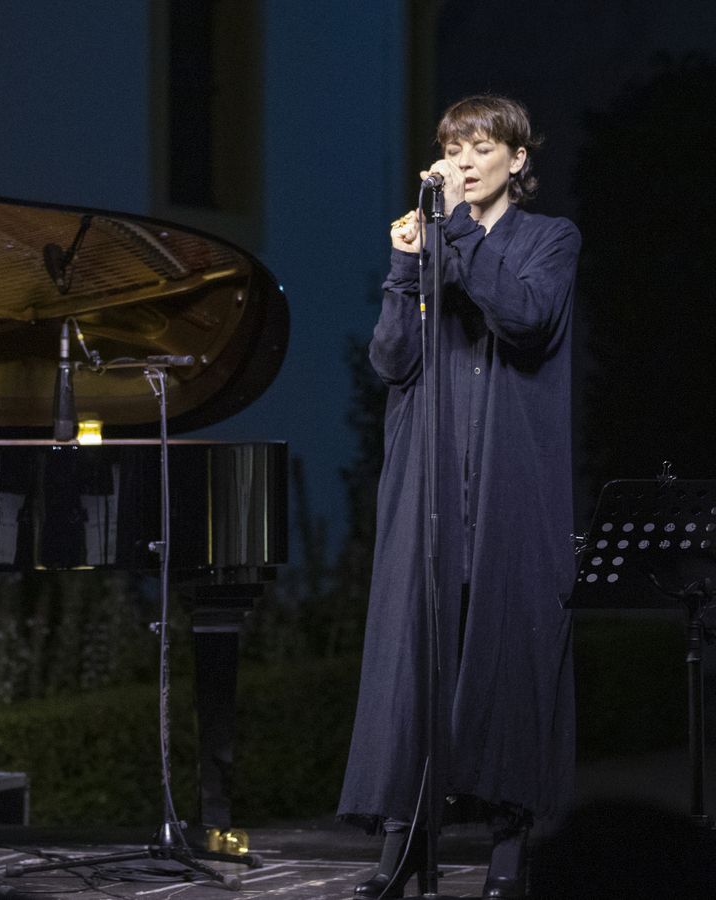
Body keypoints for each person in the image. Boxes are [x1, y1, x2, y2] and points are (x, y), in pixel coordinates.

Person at [338, 95, 581, 900]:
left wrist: (458, 236)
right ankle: (404, 838)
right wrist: (405, 263)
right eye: (453, 147)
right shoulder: (430, 242)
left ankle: (511, 839)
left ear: (518, 159)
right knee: (417, 643)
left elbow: (526, 318)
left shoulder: (550, 239)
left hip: (513, 475)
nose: (464, 162)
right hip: (431, 472)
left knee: (511, 645)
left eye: (481, 147)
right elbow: (392, 361)